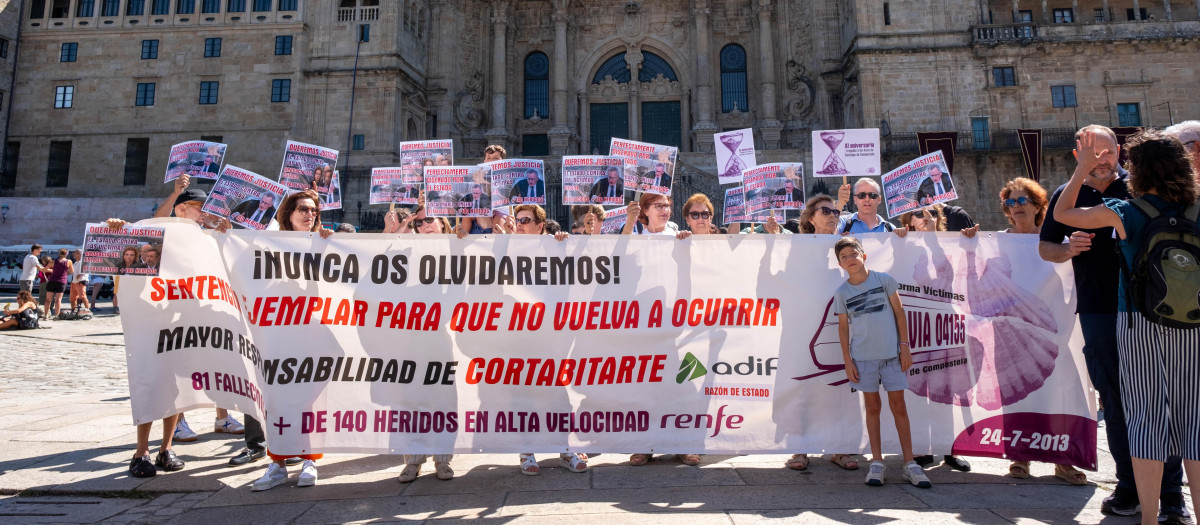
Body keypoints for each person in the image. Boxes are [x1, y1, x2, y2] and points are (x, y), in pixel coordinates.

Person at [1038, 124, 1188, 520]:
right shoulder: (1065, 194)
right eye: (1091, 154)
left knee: (1165, 402)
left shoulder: (1139, 188)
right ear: (1076, 156)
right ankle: (1129, 486)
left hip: (1152, 310)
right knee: (1117, 400)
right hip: (1099, 310)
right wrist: (1067, 248)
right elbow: (1045, 248)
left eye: (1106, 153)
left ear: (1120, 151)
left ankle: (1171, 494)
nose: (1101, 160)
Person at [992, 177, 1090, 485]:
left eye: (1023, 201)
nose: (1016, 207)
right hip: (1011, 332)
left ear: (1038, 206)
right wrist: (967, 238)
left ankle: (1065, 459)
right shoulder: (995, 241)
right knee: (1017, 393)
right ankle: (1020, 455)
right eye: (1011, 202)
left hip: (1055, 329)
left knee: (1061, 391)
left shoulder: (1054, 241)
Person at [490, 204, 583, 475]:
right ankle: (527, 451)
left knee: (556, 392)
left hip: (551, 332)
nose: (520, 224)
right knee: (524, 393)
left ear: (540, 226)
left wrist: (562, 244)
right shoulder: (507, 247)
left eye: (526, 220)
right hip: (519, 333)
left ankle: (565, 449)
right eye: (518, 220)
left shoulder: (553, 247)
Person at [833, 236, 930, 489]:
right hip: (863, 360)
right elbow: (843, 328)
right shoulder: (842, 292)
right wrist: (847, 360)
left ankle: (909, 463)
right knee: (872, 408)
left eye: (853, 254)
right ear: (840, 264)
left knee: (899, 407)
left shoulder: (884, 280)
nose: (850, 259)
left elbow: (899, 312)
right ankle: (876, 462)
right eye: (844, 257)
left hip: (892, 358)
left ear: (863, 255)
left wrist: (905, 347)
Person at [252, 190, 333, 491]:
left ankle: (310, 460)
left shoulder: (324, 242)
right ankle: (277, 464)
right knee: (276, 400)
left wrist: (329, 245)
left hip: (313, 333)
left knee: (309, 400)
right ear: (287, 213)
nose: (309, 214)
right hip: (277, 334)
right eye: (302, 208)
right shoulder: (267, 243)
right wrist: (224, 234)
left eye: (313, 210)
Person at [45, 248, 73, 318]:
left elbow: (45, 269)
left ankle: (46, 315)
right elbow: (72, 271)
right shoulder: (69, 261)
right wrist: (65, 274)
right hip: (61, 281)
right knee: (58, 300)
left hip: (52, 281)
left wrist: (52, 270)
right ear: (66, 254)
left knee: (48, 300)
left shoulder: (53, 261)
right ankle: (56, 315)